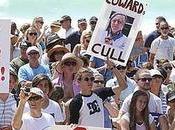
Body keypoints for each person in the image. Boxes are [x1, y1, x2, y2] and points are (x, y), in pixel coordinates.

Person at [68, 59, 127, 127]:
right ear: (78, 81)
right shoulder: (76, 101)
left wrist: (113, 68)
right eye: (86, 79)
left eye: (92, 79)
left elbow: (123, 86)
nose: (90, 82)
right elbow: (73, 124)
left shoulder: (100, 93)